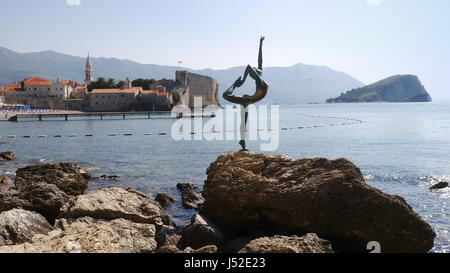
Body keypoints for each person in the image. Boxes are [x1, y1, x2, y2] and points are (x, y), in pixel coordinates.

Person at [222, 36, 269, 151]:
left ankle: (234, 85)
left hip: (250, 99)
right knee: (243, 122)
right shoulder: (260, 80)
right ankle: (242, 142)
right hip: (249, 99)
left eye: (256, 70)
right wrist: (260, 45)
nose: (255, 68)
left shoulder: (260, 80)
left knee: (225, 95)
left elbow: (249, 67)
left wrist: (241, 81)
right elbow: (259, 61)